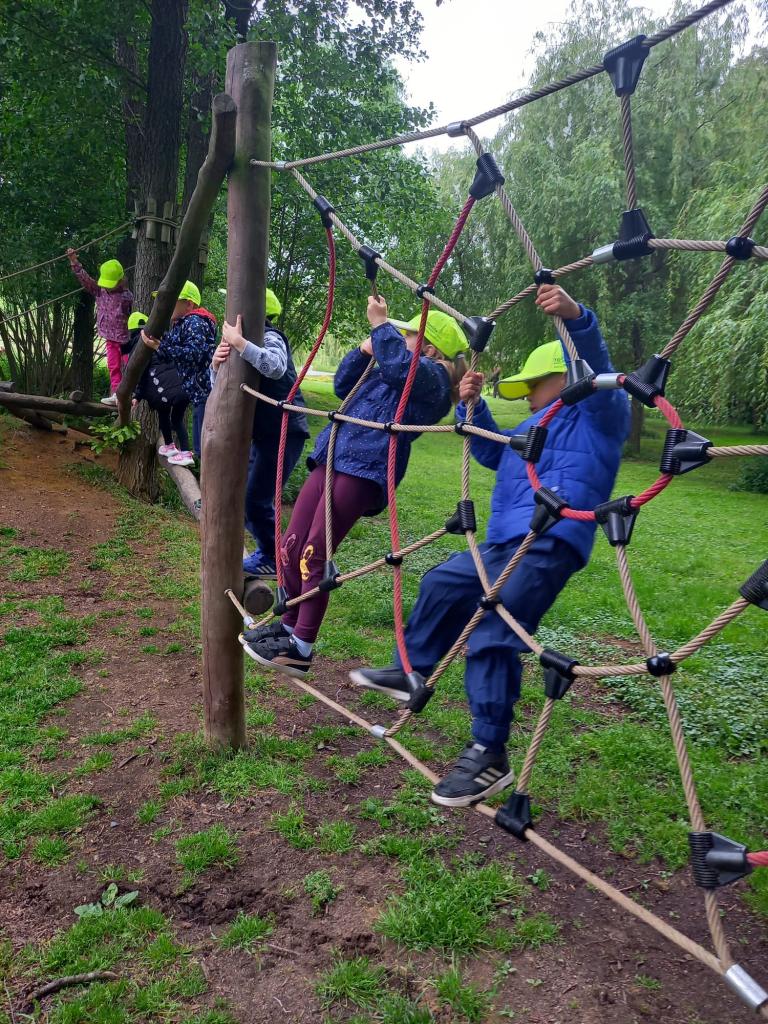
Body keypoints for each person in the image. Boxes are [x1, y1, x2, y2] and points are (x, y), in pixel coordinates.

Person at [350, 284, 630, 808]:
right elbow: (492, 454)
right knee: (440, 581)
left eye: (534, 385)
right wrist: (473, 409)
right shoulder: (531, 423)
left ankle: (489, 753)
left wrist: (575, 318)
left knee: (494, 633)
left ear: (566, 378)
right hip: (504, 542)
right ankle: (412, 670)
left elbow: (598, 368)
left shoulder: (600, 416)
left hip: (551, 541)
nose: (527, 395)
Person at [242, 294, 468, 679]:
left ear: (430, 348)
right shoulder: (389, 368)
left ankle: (302, 645)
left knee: (314, 553)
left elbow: (402, 369)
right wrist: (364, 350)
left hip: (366, 467)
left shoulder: (432, 381)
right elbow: (343, 384)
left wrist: (381, 326)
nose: (399, 338)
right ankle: (288, 625)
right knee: (290, 546)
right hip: (332, 454)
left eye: (408, 334)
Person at [210, 289, 310, 579]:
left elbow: (275, 367)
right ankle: (271, 552)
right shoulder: (238, 343)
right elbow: (218, 388)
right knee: (246, 495)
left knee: (255, 499)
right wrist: (216, 366)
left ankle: (273, 557)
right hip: (264, 433)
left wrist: (240, 343)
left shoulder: (270, 337)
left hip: (284, 432)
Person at [145, 280, 217, 465]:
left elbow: (194, 353)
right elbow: (171, 351)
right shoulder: (180, 324)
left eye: (173, 302)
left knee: (203, 438)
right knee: (191, 424)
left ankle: (192, 457)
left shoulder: (195, 322)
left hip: (202, 386)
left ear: (189, 304)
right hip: (194, 388)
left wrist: (160, 347)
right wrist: (159, 344)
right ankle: (187, 453)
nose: (168, 306)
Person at [66, 249, 133, 406]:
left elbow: (132, 316)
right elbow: (86, 281)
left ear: (120, 281)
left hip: (125, 340)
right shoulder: (100, 291)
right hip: (110, 339)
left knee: (130, 366)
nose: (108, 287)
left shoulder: (126, 297)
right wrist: (74, 262)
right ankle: (116, 394)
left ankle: (133, 392)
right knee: (113, 367)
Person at [124, 312, 192, 464]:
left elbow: (142, 374)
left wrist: (137, 395)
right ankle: (183, 451)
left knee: (163, 413)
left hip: (163, 391)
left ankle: (172, 447)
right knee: (176, 420)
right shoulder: (161, 339)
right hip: (182, 387)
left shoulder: (139, 345)